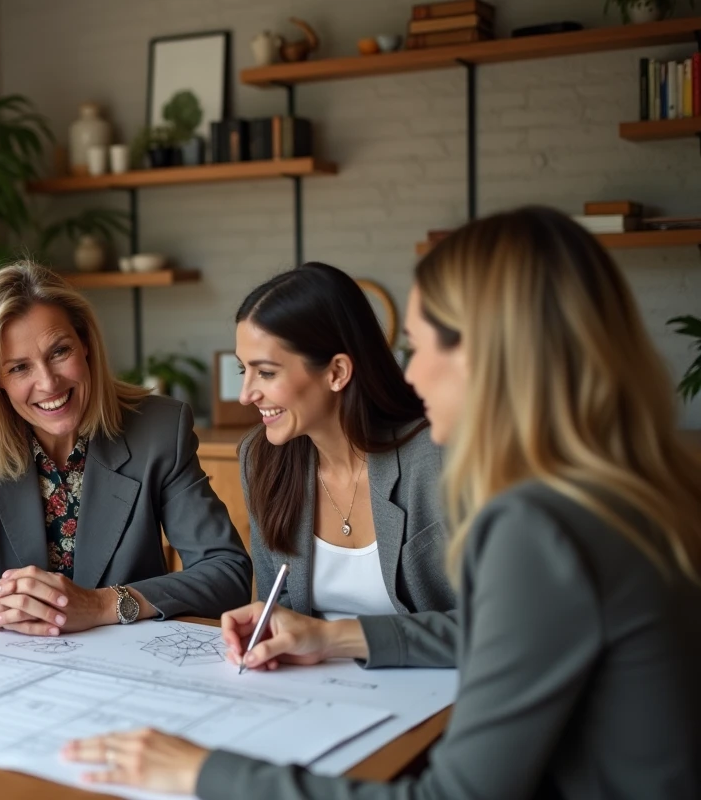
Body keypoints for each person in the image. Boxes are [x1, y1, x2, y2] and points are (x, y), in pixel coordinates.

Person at [62, 206, 701, 797]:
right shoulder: (628, 493)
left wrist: (201, 770)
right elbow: (496, 637)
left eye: (422, 347)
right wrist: (327, 637)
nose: (413, 374)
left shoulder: (537, 524)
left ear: (493, 355)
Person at [0, 262, 251, 635]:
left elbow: (226, 572)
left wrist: (103, 604)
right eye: (19, 368)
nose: (48, 382)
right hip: (0, 666)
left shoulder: (158, 430)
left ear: (85, 343)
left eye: (59, 351)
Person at [235, 264, 455, 665]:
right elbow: (277, 606)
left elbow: (501, 627)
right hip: (318, 697)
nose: (246, 395)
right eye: (242, 369)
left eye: (265, 372)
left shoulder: (437, 458)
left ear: (337, 372)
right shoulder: (261, 461)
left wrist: (331, 638)